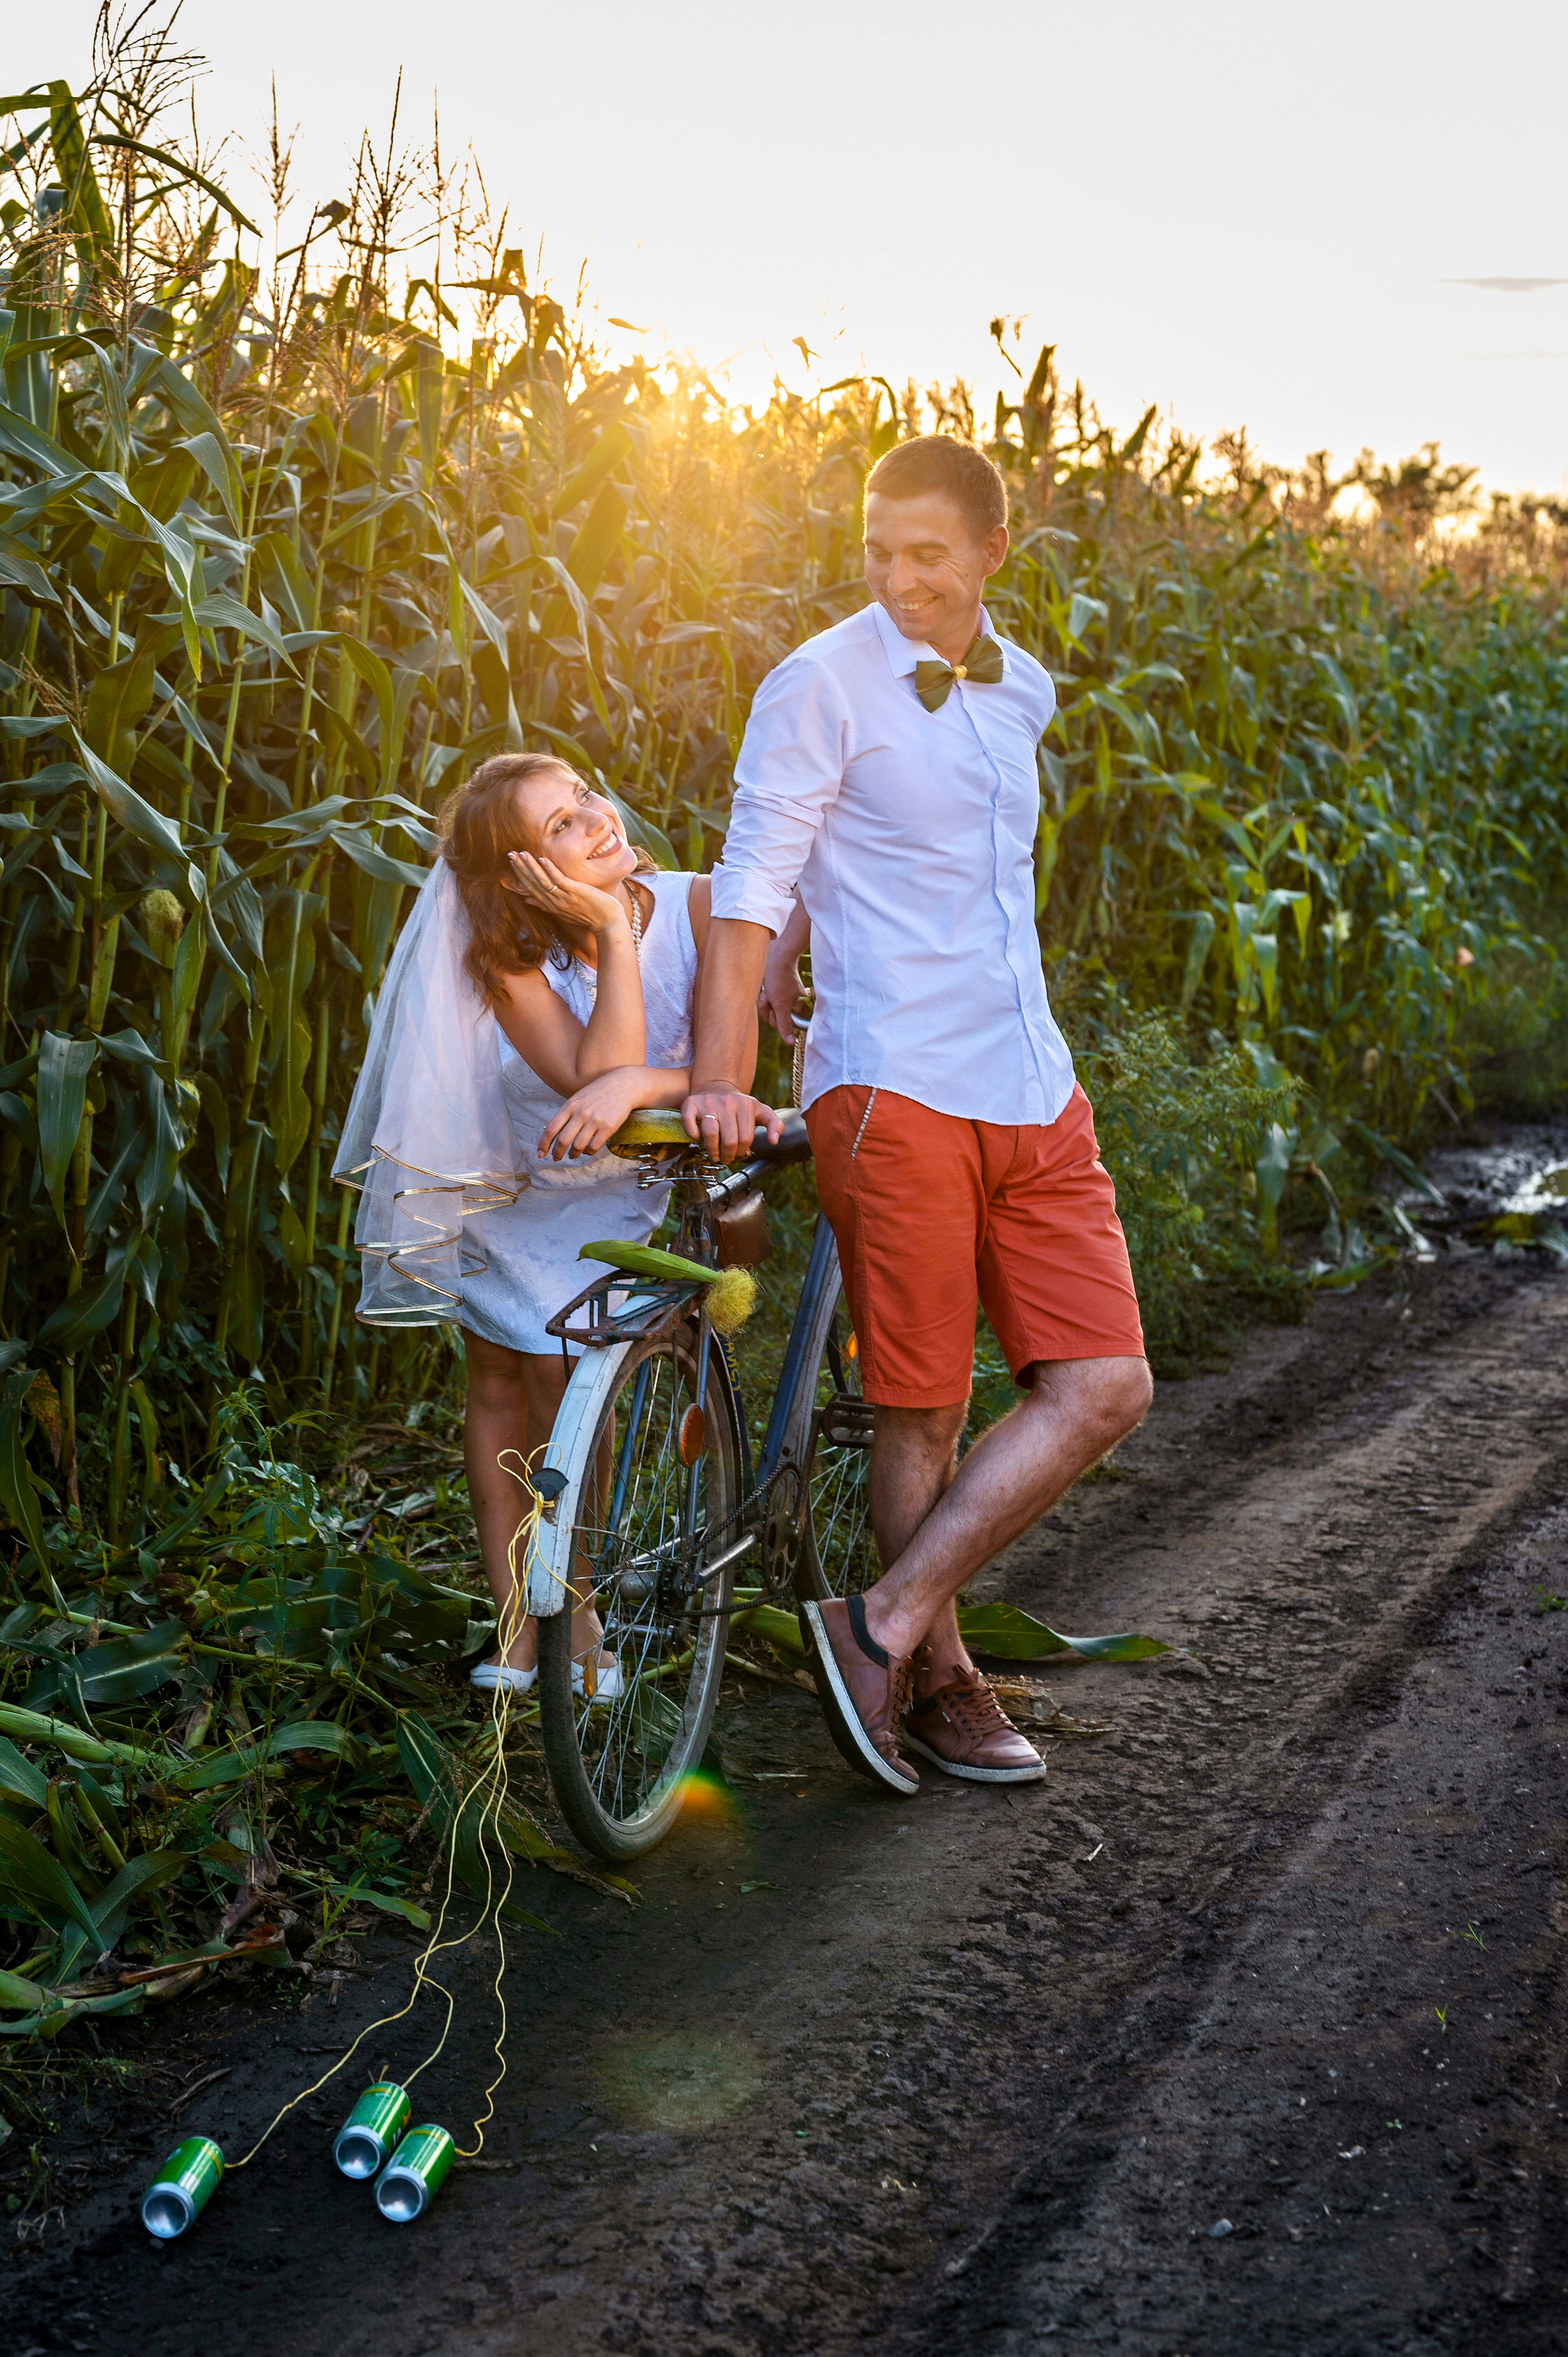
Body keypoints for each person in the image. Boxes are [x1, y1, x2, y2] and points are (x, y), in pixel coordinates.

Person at [683, 435, 1153, 1794]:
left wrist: (792, 946)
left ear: (992, 553)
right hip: (891, 1079)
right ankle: (937, 1685)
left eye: (927, 557)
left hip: (1029, 1078)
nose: (897, 580)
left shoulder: (1024, 693)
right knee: (922, 1410)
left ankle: (878, 1618)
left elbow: (934, 867)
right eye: (877, 552)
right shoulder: (817, 682)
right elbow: (750, 879)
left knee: (1105, 1382)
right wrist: (725, 1066)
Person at [335, 752, 777, 1701]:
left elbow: (712, 1069)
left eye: (585, 797)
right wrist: (609, 935)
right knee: (500, 1373)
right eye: (561, 828)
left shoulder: (699, 909)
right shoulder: (510, 956)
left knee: (578, 1380)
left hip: (612, 1190)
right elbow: (588, 1077)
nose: (596, 820)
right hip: (520, 1179)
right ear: (522, 875)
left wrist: (640, 1073)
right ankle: (516, 1623)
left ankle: (577, 1613)